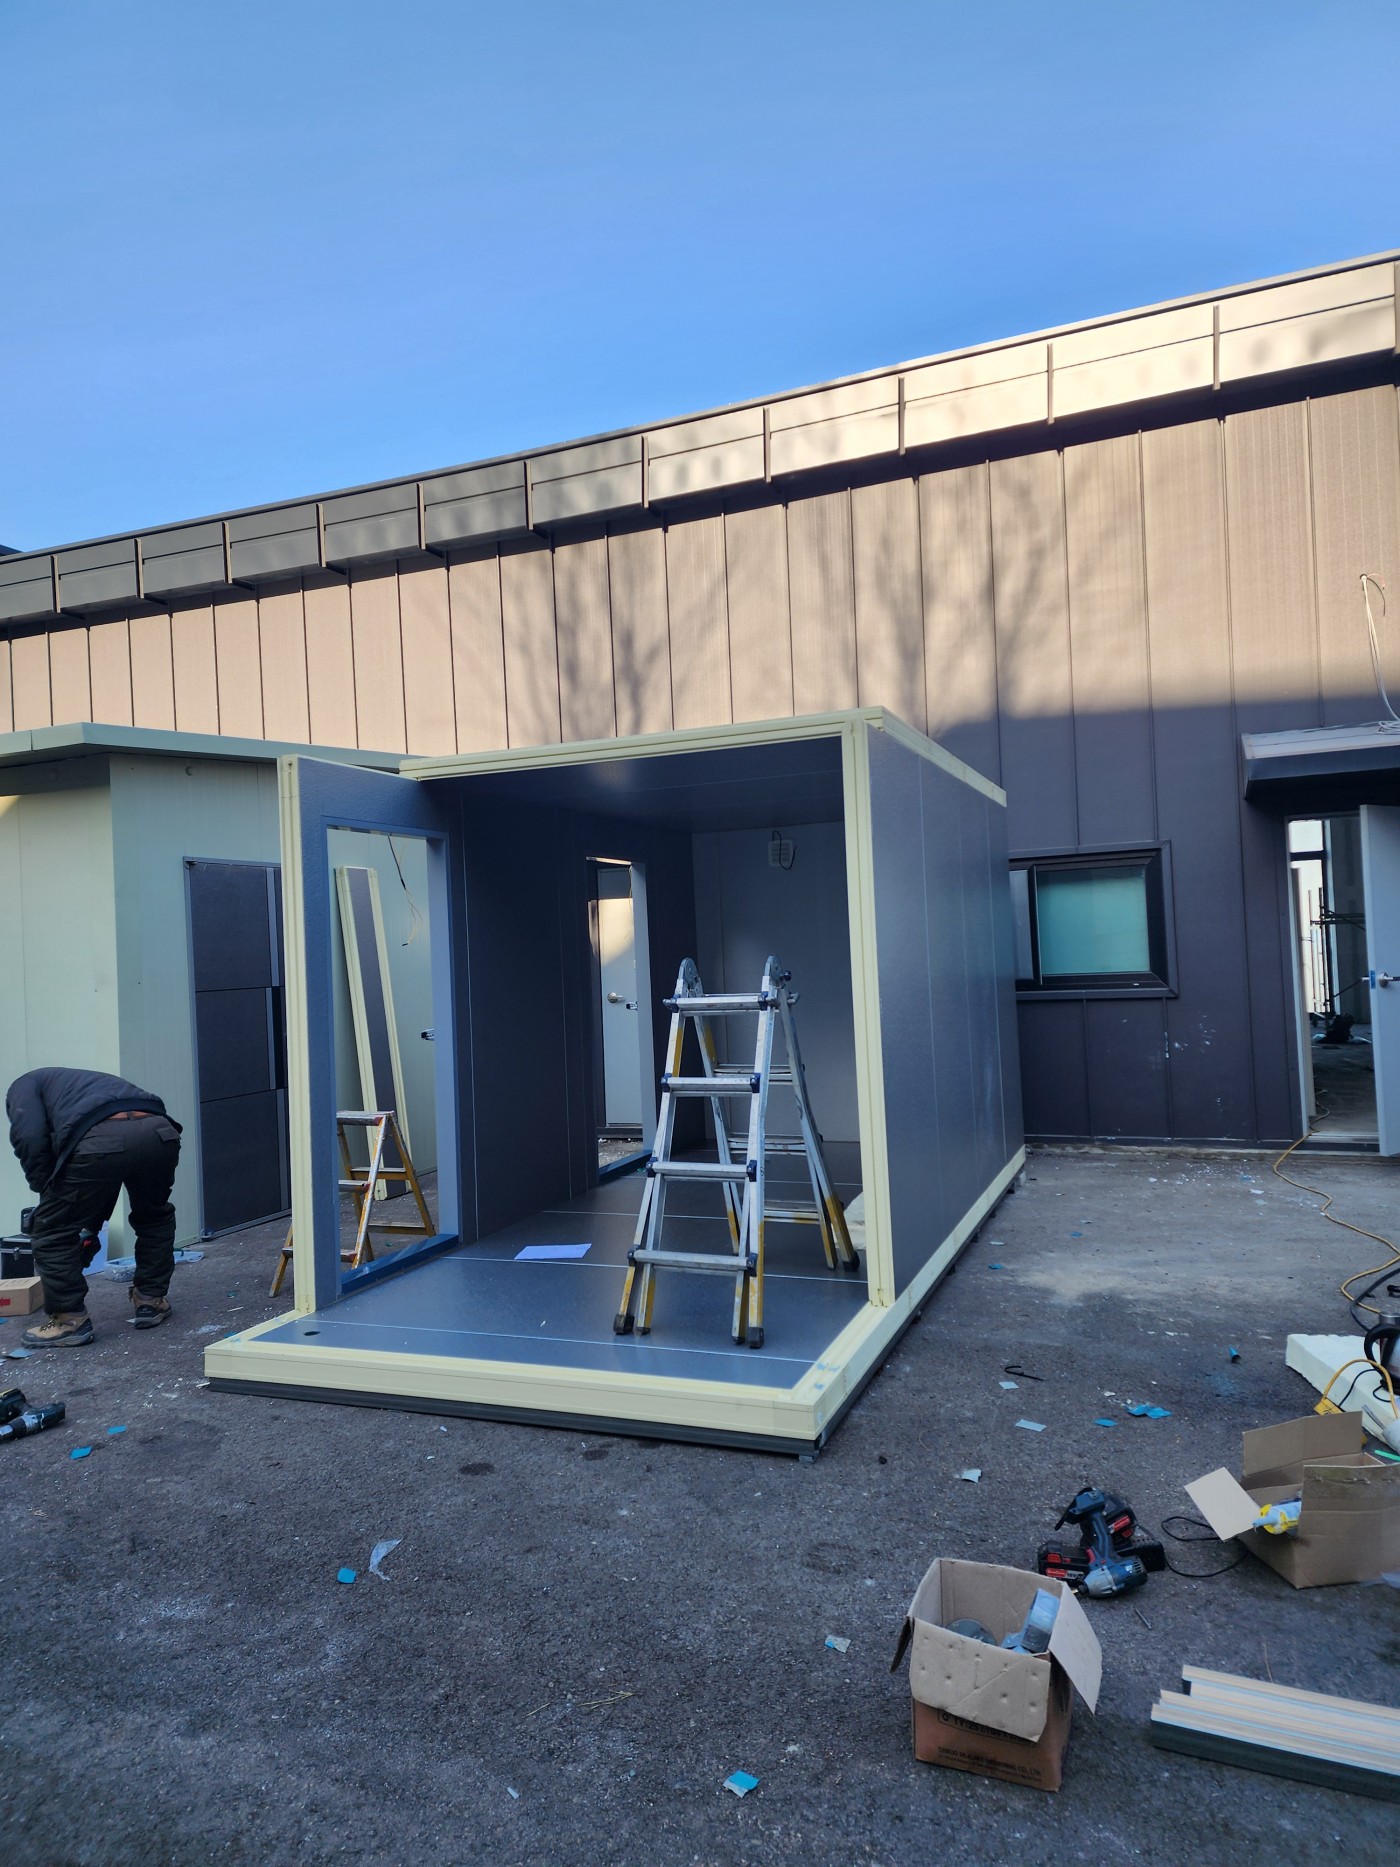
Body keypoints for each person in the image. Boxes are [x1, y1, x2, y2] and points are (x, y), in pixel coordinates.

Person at [5, 1067, 183, 1347]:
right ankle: (151, 1300)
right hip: (160, 1132)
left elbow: (30, 1137)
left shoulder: (21, 1087)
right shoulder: (81, 1084)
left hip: (101, 1139)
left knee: (52, 1232)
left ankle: (68, 1321)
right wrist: (91, 1224)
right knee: (154, 1216)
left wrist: (46, 1190)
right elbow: (107, 1173)